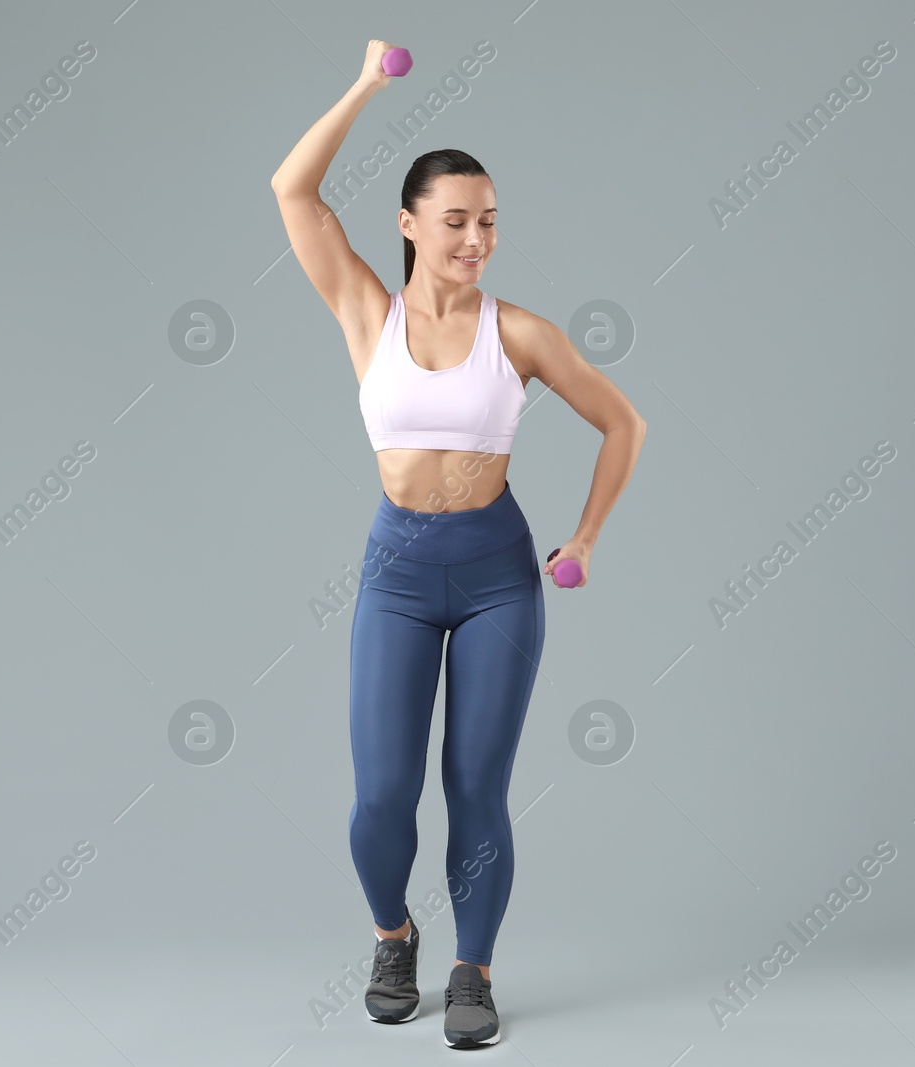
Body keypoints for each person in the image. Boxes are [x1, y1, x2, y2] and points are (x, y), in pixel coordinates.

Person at [271, 38, 646, 1050]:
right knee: (382, 792)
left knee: (476, 785)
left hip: (496, 576)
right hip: (397, 571)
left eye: (487, 221)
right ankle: (393, 933)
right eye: (455, 221)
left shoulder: (518, 332)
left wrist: (586, 537)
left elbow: (624, 423)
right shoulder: (365, 310)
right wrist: (362, 82)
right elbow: (292, 190)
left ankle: (472, 969)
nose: (477, 237)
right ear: (407, 225)